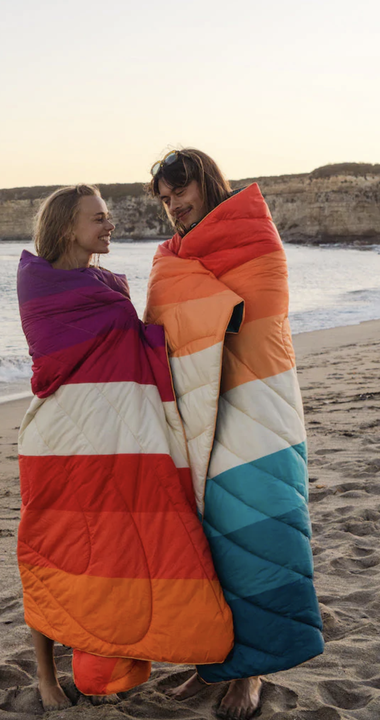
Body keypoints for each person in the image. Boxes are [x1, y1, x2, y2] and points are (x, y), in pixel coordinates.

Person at [16, 184, 234, 711]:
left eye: (109, 216)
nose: (110, 224)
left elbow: (133, 339)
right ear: (69, 226)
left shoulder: (105, 281)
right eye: (99, 218)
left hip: (119, 436)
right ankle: (44, 678)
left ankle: (168, 649)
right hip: (61, 436)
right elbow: (54, 361)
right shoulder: (40, 284)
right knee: (49, 545)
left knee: (133, 544)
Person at [144, 149, 325, 720]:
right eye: (166, 201)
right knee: (209, 543)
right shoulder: (173, 256)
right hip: (202, 414)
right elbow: (161, 324)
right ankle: (212, 664)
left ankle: (254, 675)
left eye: (181, 193)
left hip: (259, 407)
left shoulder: (256, 241)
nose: (175, 208)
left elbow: (257, 312)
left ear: (205, 181)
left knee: (262, 538)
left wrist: (197, 298)